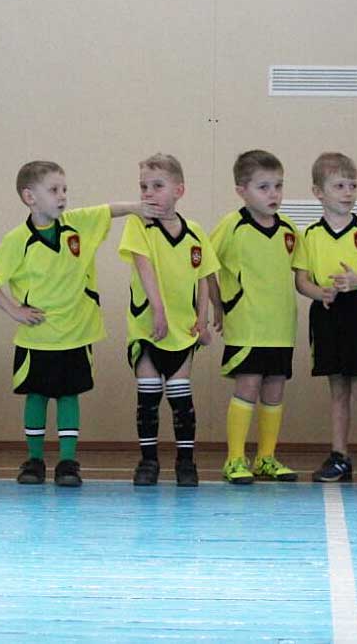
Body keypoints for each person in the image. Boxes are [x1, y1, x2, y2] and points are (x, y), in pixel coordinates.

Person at [0, 160, 160, 487]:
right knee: (36, 396)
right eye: (53, 190)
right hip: (37, 337)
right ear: (30, 197)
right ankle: (34, 460)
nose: (62, 196)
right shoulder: (17, 239)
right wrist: (14, 310)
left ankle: (67, 462)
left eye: (64, 189)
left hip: (77, 333)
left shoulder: (77, 224)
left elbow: (108, 210)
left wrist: (137, 207)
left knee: (68, 396)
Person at [292, 152, 357, 485]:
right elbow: (301, 280)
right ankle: (339, 456)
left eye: (353, 185)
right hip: (327, 314)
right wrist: (318, 292)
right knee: (337, 390)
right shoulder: (309, 236)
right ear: (318, 192)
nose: (348, 192)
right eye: (339, 186)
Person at [118, 154, 218, 487]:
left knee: (180, 395)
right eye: (143, 187)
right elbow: (143, 266)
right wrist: (158, 310)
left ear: (179, 190)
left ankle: (186, 462)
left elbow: (203, 277)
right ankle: (148, 461)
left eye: (157, 186)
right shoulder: (139, 225)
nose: (148, 192)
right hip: (148, 327)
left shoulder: (195, 233)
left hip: (182, 330)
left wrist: (202, 321)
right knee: (148, 395)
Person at [209, 150, 300, 484]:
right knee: (247, 386)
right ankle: (234, 459)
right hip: (247, 325)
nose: (273, 194)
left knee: (274, 390)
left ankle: (266, 458)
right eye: (263, 187)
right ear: (241, 191)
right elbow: (204, 265)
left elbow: (301, 273)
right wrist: (217, 304)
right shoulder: (231, 226)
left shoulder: (289, 229)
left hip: (281, 327)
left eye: (278, 186)